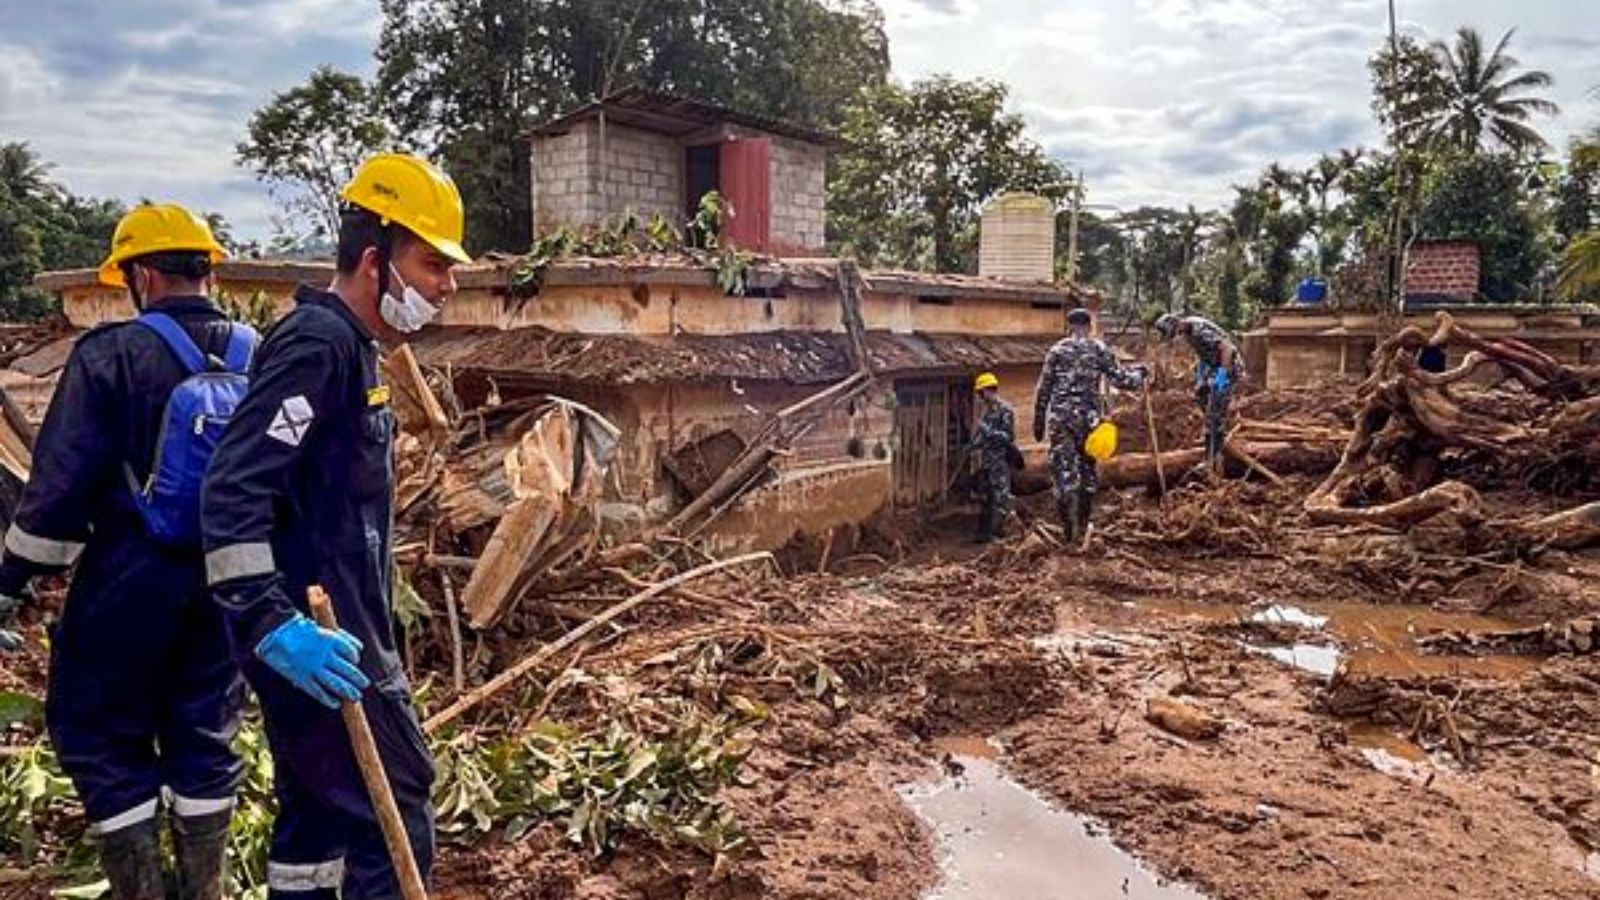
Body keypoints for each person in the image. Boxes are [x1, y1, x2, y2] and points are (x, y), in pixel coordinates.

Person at [201, 153, 470, 899]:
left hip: (336, 635)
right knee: (395, 812)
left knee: (316, 819)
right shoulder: (319, 347)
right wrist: (272, 624)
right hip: (320, 645)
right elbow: (231, 492)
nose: (446, 285)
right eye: (431, 264)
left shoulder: (355, 350)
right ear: (376, 260)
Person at [0, 205, 245, 900]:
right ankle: (205, 890)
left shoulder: (110, 354)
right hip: (232, 584)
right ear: (206, 269)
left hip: (127, 582)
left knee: (101, 733)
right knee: (205, 731)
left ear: (140, 275)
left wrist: (14, 578)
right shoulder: (261, 353)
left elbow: (59, 488)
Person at [1033, 308, 1148, 542]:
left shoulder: (1056, 350)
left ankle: (1069, 532)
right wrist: (1140, 376)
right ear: (1089, 326)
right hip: (1089, 420)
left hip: (1061, 419)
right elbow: (1121, 379)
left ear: (1069, 326)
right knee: (1087, 475)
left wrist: (1038, 420)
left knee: (1065, 474)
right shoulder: (1099, 349)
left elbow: (1043, 389)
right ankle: (1083, 527)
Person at [1154, 313, 1242, 470]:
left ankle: (1215, 458)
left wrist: (1221, 377)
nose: (1178, 336)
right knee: (1201, 396)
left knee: (1214, 411)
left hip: (1229, 367)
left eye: (1176, 332)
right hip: (1214, 367)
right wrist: (1202, 379)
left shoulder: (1199, 330)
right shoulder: (1189, 331)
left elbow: (1227, 349)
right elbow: (1205, 356)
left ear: (1176, 324)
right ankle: (1216, 430)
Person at [971, 372, 1017, 542]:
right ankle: (988, 533)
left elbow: (1007, 438)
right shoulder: (986, 412)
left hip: (1001, 461)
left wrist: (987, 431)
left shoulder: (1006, 411)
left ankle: (1007, 532)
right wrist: (975, 445)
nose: (980, 397)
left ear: (988, 391)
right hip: (988, 461)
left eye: (981, 393)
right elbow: (984, 437)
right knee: (988, 499)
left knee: (1002, 498)